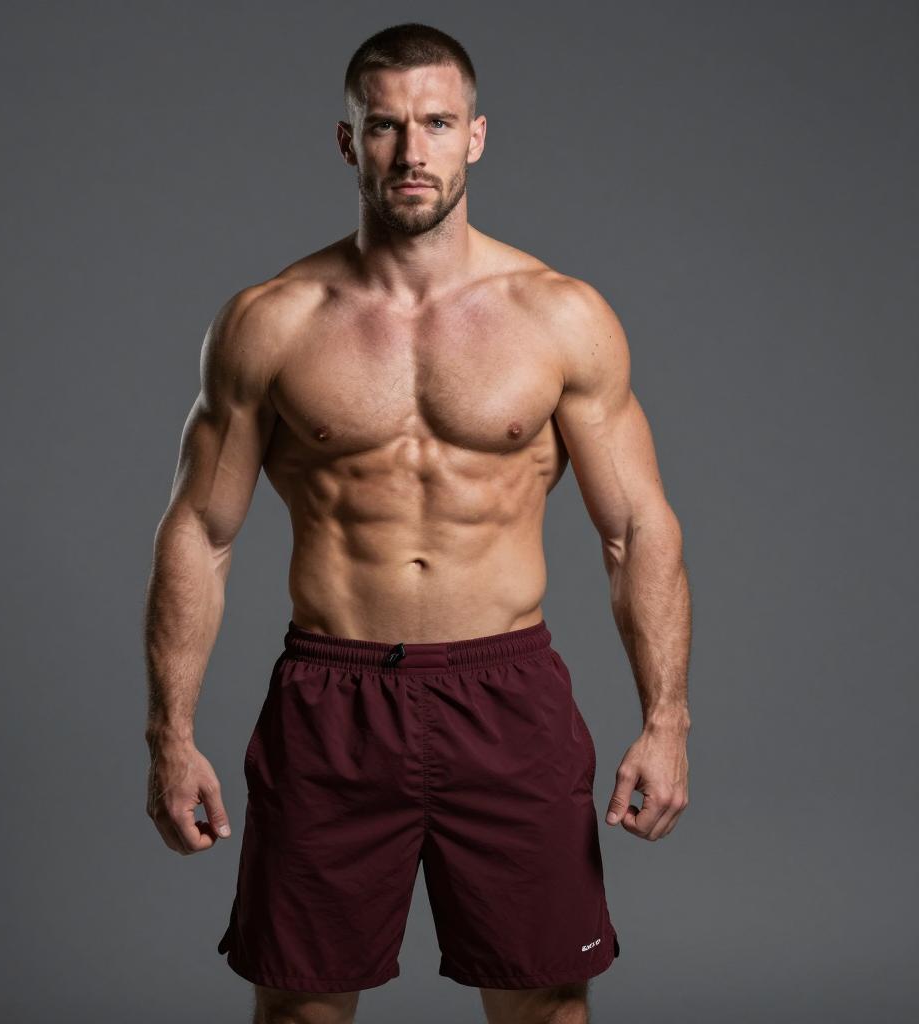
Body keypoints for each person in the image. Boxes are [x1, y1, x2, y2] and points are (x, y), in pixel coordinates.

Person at [143, 21, 691, 1024]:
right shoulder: (271, 321)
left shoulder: (560, 317)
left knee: (544, 1004)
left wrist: (667, 719)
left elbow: (637, 530)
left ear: (476, 135)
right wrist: (169, 736)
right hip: (333, 700)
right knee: (300, 1008)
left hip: (506, 695)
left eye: (436, 123)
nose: (412, 150)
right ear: (348, 141)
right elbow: (200, 532)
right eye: (385, 125)